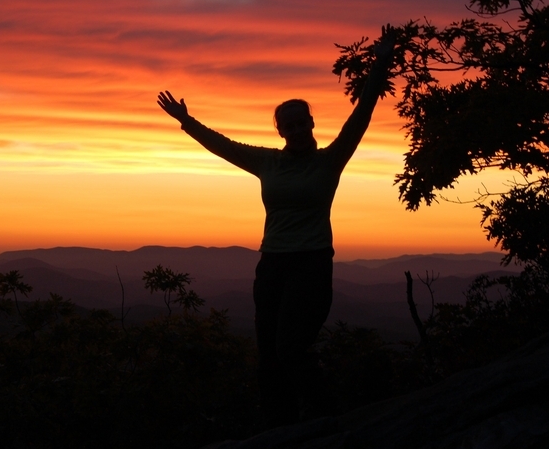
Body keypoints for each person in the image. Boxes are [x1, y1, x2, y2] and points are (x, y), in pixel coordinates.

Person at [157, 28, 396, 427]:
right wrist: (186, 121)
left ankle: (327, 418)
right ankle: (280, 426)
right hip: (272, 265)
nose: (298, 130)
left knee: (292, 346)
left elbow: (363, 111)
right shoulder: (269, 162)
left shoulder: (330, 160)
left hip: (312, 264)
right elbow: (224, 146)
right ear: (280, 131)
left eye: (303, 123)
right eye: (290, 125)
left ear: (312, 124)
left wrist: (382, 60)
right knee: (269, 352)